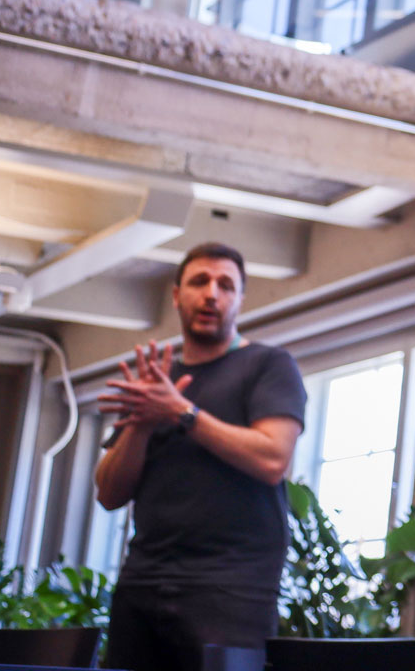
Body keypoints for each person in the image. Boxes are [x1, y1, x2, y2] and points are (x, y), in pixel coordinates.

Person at [96, 242, 306, 671]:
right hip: (142, 583)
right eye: (199, 281)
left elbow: (272, 460)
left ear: (240, 299)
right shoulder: (156, 382)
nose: (212, 293)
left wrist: (181, 411)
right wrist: (142, 421)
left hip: (232, 590)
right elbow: (109, 492)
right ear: (176, 295)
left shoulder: (268, 365)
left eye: (226, 285)